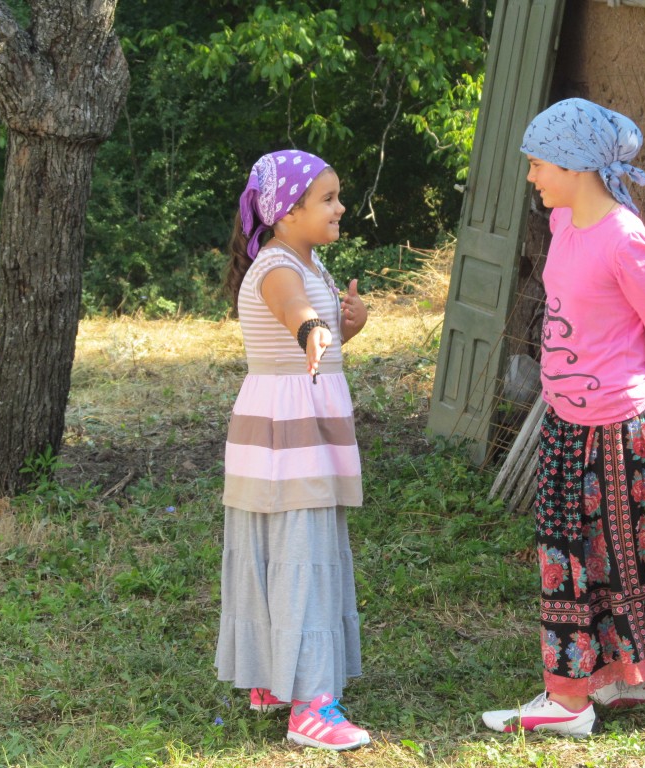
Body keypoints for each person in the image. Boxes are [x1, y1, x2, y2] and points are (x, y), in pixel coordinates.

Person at [481, 99, 645, 738]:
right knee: (586, 555)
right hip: (569, 425)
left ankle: (568, 703)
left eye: (538, 164)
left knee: (635, 554)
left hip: (624, 429)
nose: (532, 176)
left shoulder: (627, 240)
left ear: (574, 164)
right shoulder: (564, 221)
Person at [214, 149, 371, 751]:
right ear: (286, 213)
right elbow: (291, 309)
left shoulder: (305, 260)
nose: (341, 207)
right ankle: (310, 705)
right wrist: (312, 328)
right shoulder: (278, 266)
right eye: (328, 199)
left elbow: (315, 330)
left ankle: (274, 678)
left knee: (283, 548)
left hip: (293, 425)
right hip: (288, 433)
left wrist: (345, 327)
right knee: (300, 551)